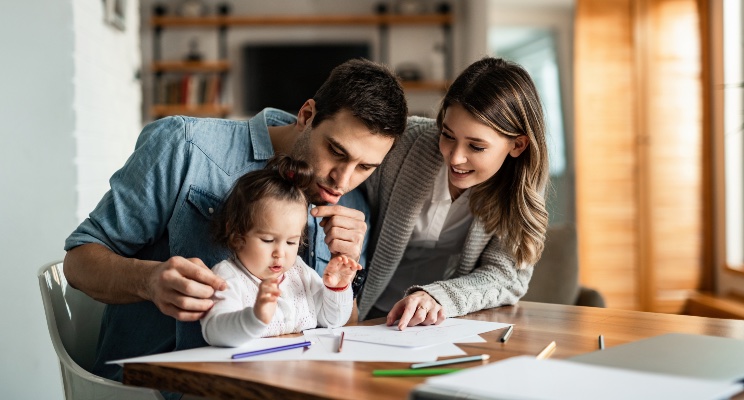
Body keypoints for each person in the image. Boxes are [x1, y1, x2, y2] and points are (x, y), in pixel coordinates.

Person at [63, 58, 407, 381]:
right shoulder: (184, 146)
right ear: (306, 115)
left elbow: (343, 325)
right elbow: (79, 263)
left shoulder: (352, 204)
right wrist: (149, 280)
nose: (342, 181)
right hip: (165, 387)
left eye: (365, 167)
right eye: (335, 151)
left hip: (292, 384)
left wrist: (340, 278)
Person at [357, 57, 550, 330]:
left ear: (517, 145)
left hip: (440, 322)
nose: (456, 158)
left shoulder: (521, 188)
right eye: (448, 135)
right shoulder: (401, 147)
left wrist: (440, 297)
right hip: (367, 314)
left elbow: (507, 277)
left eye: (476, 147)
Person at [201, 155, 361, 347]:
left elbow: (331, 320)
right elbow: (214, 332)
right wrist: (255, 317)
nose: (280, 253)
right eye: (268, 240)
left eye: (292, 242)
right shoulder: (227, 277)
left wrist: (337, 288)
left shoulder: (299, 273)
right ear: (236, 237)